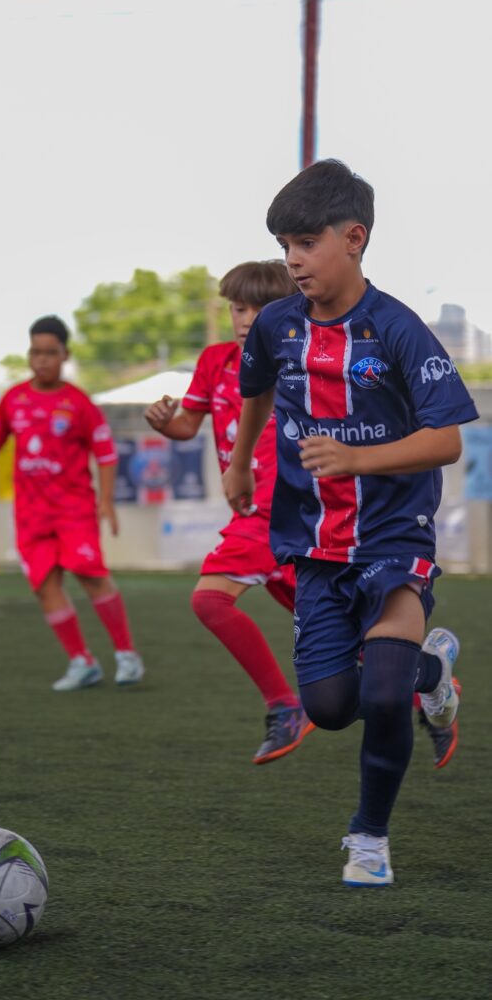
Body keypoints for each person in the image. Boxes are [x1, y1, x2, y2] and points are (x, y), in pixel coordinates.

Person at [223, 159, 478, 886]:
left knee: (384, 693)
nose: (293, 260)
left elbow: (446, 440)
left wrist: (357, 460)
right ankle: (433, 671)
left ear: (354, 238)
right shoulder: (276, 325)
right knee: (331, 707)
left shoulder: (397, 328)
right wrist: (240, 463)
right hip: (313, 543)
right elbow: (254, 388)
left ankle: (369, 837)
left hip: (394, 537)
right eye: (285, 247)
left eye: (306, 243)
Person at [145, 261, 314, 765]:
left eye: (260, 308)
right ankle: (428, 684)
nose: (247, 318)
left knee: (210, 600)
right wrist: (164, 423)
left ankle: (284, 706)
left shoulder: (301, 360)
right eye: (239, 308)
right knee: (334, 629)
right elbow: (187, 426)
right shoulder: (214, 360)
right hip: (255, 513)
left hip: (284, 511)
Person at [0, 315, 145, 692]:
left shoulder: (79, 403)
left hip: (74, 510)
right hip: (31, 513)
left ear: (64, 355)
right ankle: (81, 661)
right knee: (44, 585)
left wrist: (106, 501)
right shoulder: (13, 399)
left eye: (49, 353)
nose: (41, 360)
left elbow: (106, 454)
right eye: (35, 352)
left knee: (91, 575)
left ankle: (127, 654)